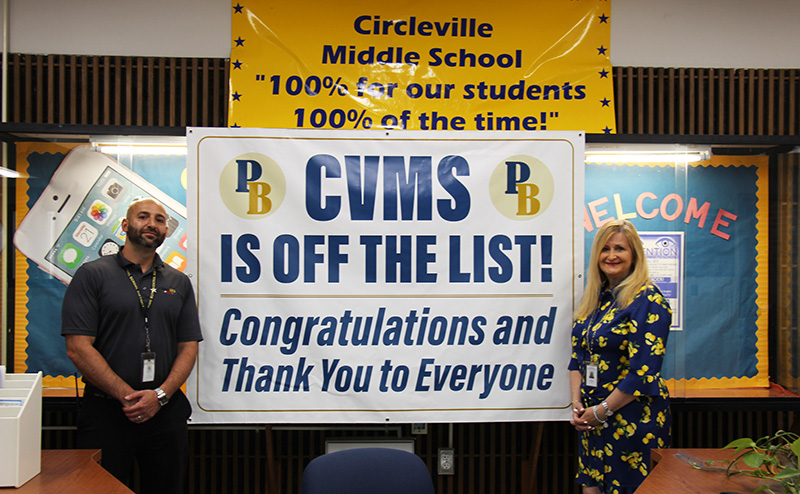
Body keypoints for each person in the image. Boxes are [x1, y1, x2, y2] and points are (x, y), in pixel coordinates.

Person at [62, 197, 203, 493]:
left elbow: (188, 347)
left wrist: (160, 396)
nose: (152, 224)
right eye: (143, 217)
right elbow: (78, 347)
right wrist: (129, 397)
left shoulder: (178, 282)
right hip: (107, 413)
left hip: (165, 413)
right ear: (126, 225)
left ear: (166, 231)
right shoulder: (93, 275)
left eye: (160, 220)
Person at [568, 219, 672, 494]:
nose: (611, 255)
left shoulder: (648, 300)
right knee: (590, 487)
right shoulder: (597, 298)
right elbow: (577, 357)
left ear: (634, 255)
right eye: (605, 249)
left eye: (620, 249)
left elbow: (643, 373)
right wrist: (578, 405)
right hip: (591, 421)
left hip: (631, 420)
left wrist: (602, 412)